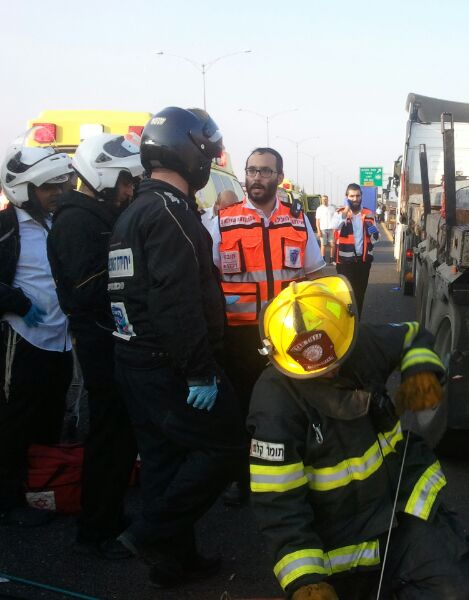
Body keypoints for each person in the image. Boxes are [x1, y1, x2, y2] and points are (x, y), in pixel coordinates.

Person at [248, 276, 469, 599]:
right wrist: (306, 581)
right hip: (335, 534)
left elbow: (413, 335)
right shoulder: (275, 403)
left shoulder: (359, 344)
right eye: (317, 372)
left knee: (455, 590)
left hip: (399, 505)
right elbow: (278, 503)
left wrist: (420, 370)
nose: (330, 373)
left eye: (336, 363)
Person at [108, 107, 246, 587]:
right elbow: (176, 303)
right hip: (169, 365)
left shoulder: (134, 211)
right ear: (191, 155)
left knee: (164, 461)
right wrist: (199, 372)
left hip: (134, 360)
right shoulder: (170, 214)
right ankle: (151, 534)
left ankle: (174, 562)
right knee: (228, 445)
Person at [46, 133, 143, 558]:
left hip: (109, 336)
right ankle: (96, 529)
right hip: (98, 339)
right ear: (104, 174)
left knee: (119, 435)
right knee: (107, 435)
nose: (128, 191)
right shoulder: (77, 221)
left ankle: (109, 514)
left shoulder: (92, 214)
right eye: (125, 182)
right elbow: (89, 288)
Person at [211, 147, 325, 506]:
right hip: (238, 336)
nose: (256, 177)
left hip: (288, 332)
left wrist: (342, 306)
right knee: (241, 411)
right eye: (251, 170)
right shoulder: (221, 221)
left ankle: (295, 475)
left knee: (292, 405)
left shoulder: (297, 220)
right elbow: (204, 277)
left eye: (265, 171)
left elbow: (317, 273)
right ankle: (241, 478)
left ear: (278, 176)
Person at [0, 141, 75, 527]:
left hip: (59, 341)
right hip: (22, 340)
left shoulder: (55, 223)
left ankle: (42, 486)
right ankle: (8, 499)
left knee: (50, 414)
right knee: (14, 420)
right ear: (23, 188)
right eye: (48, 188)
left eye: (59, 186)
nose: (56, 194)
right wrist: (15, 301)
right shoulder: (5, 228)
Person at [334, 183, 378, 317]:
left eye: (357, 196)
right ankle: (344, 323)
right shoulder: (340, 213)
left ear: (361, 197)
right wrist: (345, 214)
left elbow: (376, 238)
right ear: (346, 197)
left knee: (359, 294)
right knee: (346, 295)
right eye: (352, 196)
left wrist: (373, 232)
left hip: (363, 262)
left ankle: (356, 323)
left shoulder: (368, 214)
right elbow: (334, 226)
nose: (355, 199)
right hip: (345, 262)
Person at [315, 194, 336, 265]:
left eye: (325, 199)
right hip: (322, 229)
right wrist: (318, 231)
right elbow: (317, 221)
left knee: (332, 245)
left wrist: (335, 229)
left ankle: (332, 260)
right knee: (323, 245)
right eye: (323, 199)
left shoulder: (332, 208)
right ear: (321, 200)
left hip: (331, 229)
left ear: (328, 200)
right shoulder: (319, 209)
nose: (324, 201)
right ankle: (323, 260)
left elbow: (335, 219)